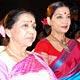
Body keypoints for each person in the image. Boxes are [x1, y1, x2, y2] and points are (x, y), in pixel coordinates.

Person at [0, 8, 57, 80]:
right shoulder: (3, 61)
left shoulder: (38, 58)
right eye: (25, 25)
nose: (32, 31)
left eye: (34, 26)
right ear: (8, 32)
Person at [34, 1, 80, 80]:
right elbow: (40, 76)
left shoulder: (75, 44)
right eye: (59, 17)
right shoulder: (43, 46)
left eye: (68, 16)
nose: (65, 21)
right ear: (49, 21)